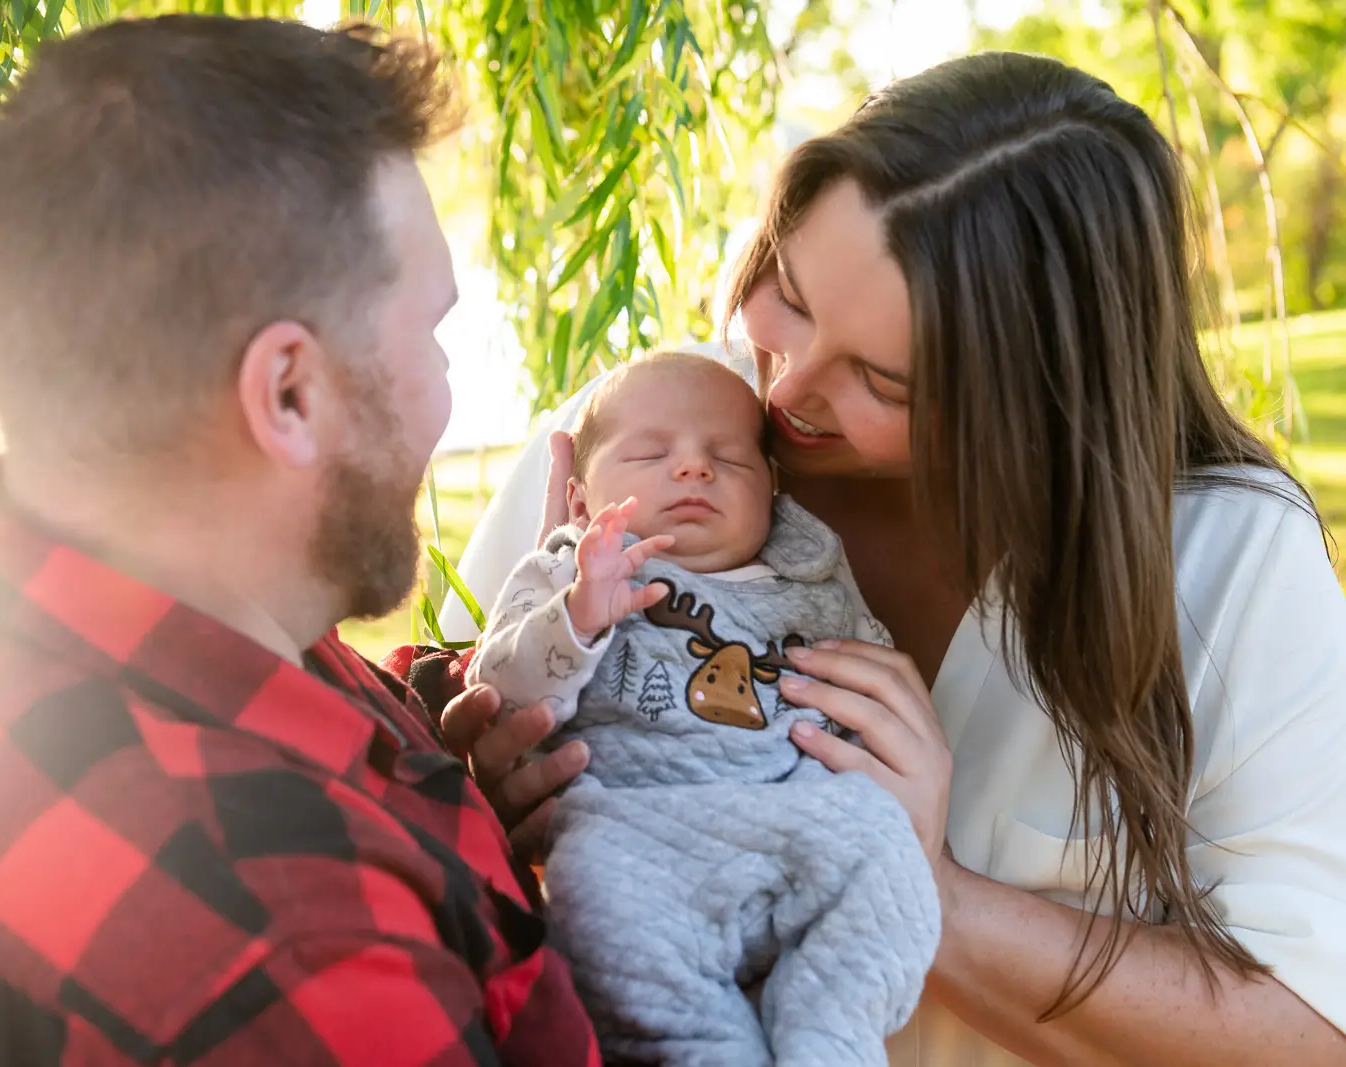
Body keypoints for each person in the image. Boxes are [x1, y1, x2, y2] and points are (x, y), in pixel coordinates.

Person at [420, 51, 1346, 1067]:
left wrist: (931, 892)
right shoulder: (645, 439)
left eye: (885, 381)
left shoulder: (1228, 561)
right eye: (790, 293)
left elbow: (1300, 1027)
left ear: (1040, 400)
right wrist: (482, 806)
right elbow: (439, 826)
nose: (787, 391)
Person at [0, 16, 598, 1066]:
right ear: (288, 391)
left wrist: (447, 808)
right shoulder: (300, 950)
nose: (447, 389)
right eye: (433, 331)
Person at [467, 352, 938, 1066]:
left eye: (731, 458)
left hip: (795, 817)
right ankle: (704, 1047)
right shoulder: (571, 569)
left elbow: (866, 683)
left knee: (888, 859)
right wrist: (577, 615)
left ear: (774, 494)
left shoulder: (807, 573)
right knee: (599, 910)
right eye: (652, 452)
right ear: (582, 499)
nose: (694, 468)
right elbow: (500, 685)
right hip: (633, 831)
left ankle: (830, 1037)